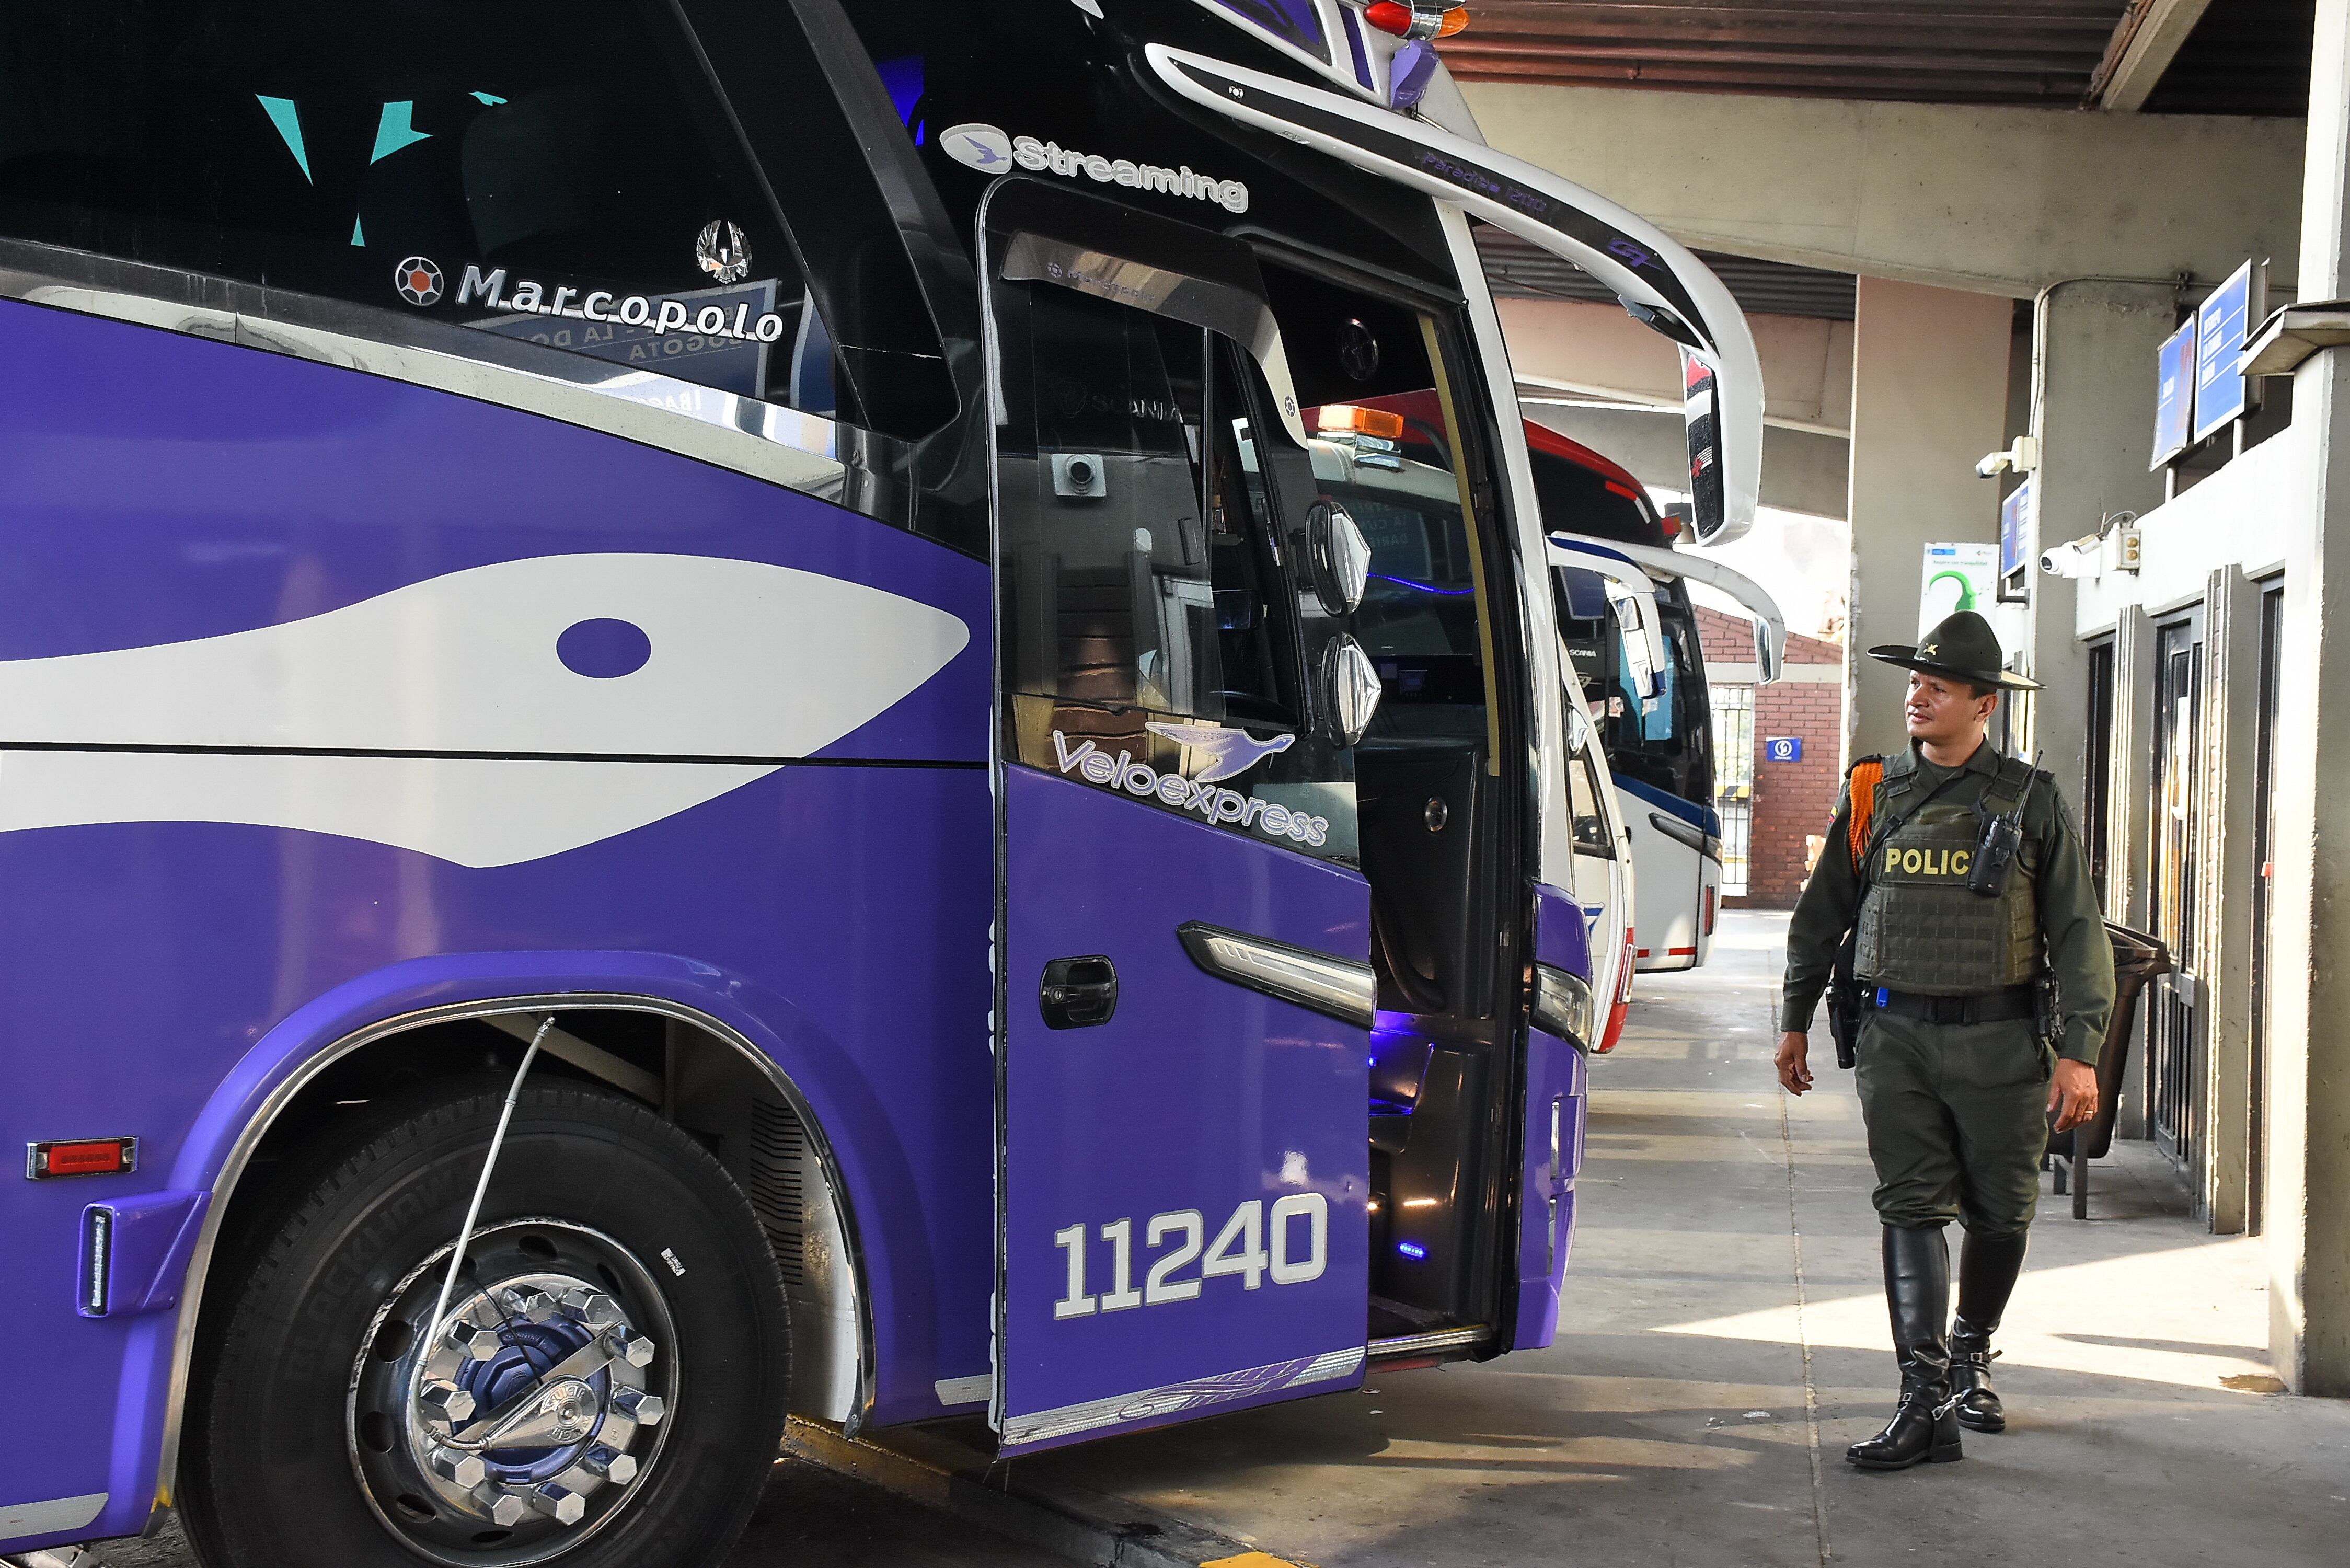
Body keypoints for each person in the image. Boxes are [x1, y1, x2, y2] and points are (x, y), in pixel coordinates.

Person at [1776, 610, 2114, 1471]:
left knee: (2001, 1215)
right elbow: (1822, 919)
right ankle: (1923, 1402)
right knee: (1912, 1206)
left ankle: (1970, 1353)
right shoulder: (1870, 793)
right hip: (1897, 1039)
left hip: (2002, 1043)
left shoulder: (2033, 802)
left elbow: (2080, 932)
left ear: (1984, 703)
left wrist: (2080, 1049)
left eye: (1938, 685)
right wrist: (1793, 1019)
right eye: (1914, 682)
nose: (1917, 696)